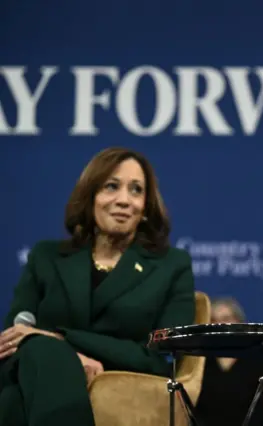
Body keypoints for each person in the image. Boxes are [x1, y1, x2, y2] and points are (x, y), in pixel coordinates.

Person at [0, 147, 196, 426]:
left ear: (145, 208)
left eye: (136, 190)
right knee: (32, 355)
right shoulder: (46, 257)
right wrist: (68, 360)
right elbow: (14, 340)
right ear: (90, 196)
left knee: (13, 398)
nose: (124, 200)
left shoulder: (171, 266)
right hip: (37, 370)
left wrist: (61, 341)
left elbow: (161, 358)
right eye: (111, 186)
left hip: (121, 384)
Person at [195, 297, 263, 426]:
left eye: (226, 319)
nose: (219, 325)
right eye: (213, 320)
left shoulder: (259, 360)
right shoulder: (198, 362)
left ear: (239, 322)